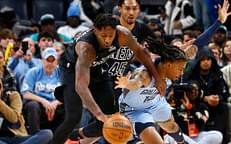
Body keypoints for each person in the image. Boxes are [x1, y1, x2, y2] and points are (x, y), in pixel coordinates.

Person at [52, 14, 166, 144]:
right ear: (95, 30)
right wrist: (98, 114)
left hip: (98, 67)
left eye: (110, 36)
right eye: (103, 36)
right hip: (72, 68)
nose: (107, 40)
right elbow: (81, 86)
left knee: (112, 120)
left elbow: (140, 52)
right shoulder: (87, 48)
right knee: (74, 117)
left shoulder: (123, 34)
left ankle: (76, 136)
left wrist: (158, 78)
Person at [0, 68, 52, 144]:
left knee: (47, 134)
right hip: (2, 139)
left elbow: (14, 118)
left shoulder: (13, 95)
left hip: (19, 138)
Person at [21, 48, 63, 134]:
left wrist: (56, 102)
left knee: (72, 104)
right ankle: (36, 136)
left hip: (56, 105)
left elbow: (69, 93)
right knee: (32, 105)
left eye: (53, 60)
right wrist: (44, 101)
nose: (50, 64)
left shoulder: (61, 73)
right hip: (39, 105)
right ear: (42, 61)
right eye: (48, 60)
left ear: (56, 62)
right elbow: (26, 94)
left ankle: (67, 137)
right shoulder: (33, 72)